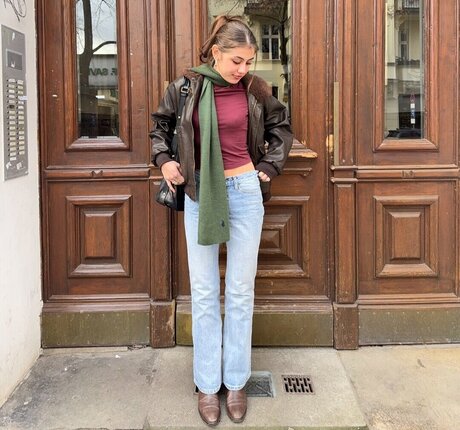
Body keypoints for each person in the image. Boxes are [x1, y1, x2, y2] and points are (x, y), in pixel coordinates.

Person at [150, 15, 293, 426]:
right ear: (216, 53)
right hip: (200, 192)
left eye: (249, 61)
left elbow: (281, 128)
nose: (242, 69)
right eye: (236, 61)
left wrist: (268, 167)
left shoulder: (256, 89)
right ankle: (208, 384)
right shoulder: (185, 87)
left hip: (245, 191)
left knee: (241, 291)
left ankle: (236, 382)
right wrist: (165, 160)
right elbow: (160, 127)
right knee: (204, 290)